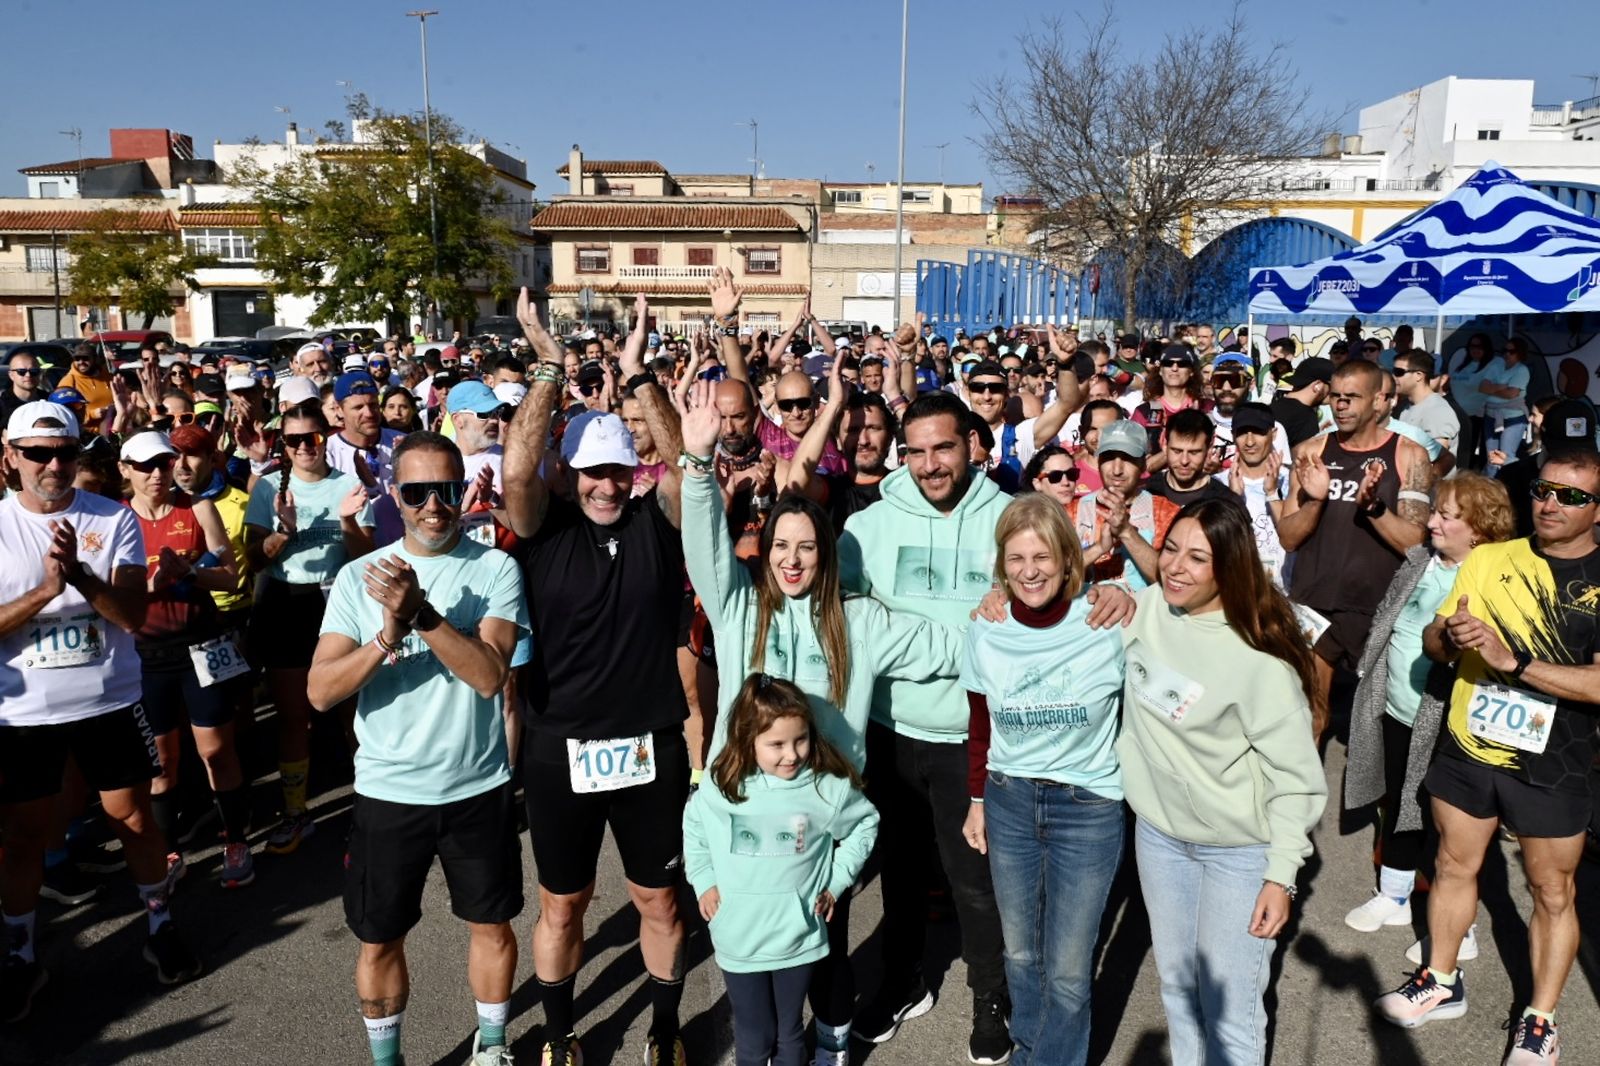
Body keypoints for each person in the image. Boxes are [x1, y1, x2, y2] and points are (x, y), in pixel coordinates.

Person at [501, 288, 693, 1066]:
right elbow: (517, 467)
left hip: (650, 743)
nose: (606, 486)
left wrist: (640, 373)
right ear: (569, 473)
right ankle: (558, 1034)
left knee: (658, 899)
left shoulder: (659, 522)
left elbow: (690, 465)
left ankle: (665, 1030)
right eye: (590, 472)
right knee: (563, 903)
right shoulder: (544, 533)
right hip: (560, 746)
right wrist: (549, 367)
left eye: (617, 471)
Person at [308, 432, 528, 1066]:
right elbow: (321, 692)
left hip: (476, 788)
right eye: (417, 492)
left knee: (491, 926)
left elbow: (490, 676)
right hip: (388, 791)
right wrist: (385, 635)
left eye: (448, 490)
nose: (434, 505)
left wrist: (424, 616)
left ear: (464, 491)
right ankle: (387, 1060)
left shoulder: (495, 569)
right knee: (379, 940)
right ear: (394, 498)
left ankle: (491, 1046)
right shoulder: (358, 577)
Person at [1375, 450, 1600, 1065]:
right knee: (1452, 863)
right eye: (1544, 490)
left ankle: (1540, 1019)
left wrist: (1514, 663)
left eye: (1572, 496)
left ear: (1597, 508)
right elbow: (1436, 637)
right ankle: (1440, 981)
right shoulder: (1493, 558)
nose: (1551, 503)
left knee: (1551, 890)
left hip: (1558, 758)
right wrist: (1448, 638)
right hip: (1470, 744)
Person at [1, 402, 203, 1019]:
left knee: (134, 819)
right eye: (38, 453)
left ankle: (160, 925)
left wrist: (83, 581)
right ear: (11, 457)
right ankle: (20, 955)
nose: (54, 464)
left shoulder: (110, 518)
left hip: (109, 701)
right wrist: (43, 591)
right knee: (24, 838)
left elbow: (133, 615)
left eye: (65, 452)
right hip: (24, 716)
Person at [836, 390, 1014, 1064]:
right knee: (903, 874)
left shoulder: (1009, 517)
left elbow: (1052, 596)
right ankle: (905, 982)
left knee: (974, 880)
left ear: (972, 443)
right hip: (891, 729)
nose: (932, 465)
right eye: (918, 451)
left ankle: (990, 999)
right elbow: (840, 614)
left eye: (945, 447)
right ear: (900, 453)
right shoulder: (869, 527)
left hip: (974, 737)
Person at [1118, 497, 1328, 1066]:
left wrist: (1280, 876)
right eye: (1170, 551)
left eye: (1197, 558)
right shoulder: (1143, 609)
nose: (1175, 568)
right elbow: (1065, 614)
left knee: (1231, 1011)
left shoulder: (1260, 661)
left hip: (1237, 852)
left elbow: (1297, 781)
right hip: (1159, 838)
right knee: (1179, 991)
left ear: (1228, 568)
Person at [961, 494, 1126, 1066]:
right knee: (1021, 955)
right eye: (1015, 559)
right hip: (1009, 800)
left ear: (1067, 558)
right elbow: (979, 723)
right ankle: (1030, 1050)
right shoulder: (986, 627)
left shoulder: (1108, 621)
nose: (1030, 571)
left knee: (1069, 969)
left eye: (1043, 556)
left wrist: (1123, 591)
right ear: (1001, 565)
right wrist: (977, 799)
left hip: (1089, 808)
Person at [1342, 475, 1513, 944]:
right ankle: (1394, 895)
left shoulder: (1493, 577)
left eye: (1445, 516)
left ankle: (1462, 925)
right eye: (1435, 511)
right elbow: (1389, 620)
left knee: (1451, 825)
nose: (1431, 521)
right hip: (1398, 707)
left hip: (1449, 720)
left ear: (1478, 529)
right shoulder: (1420, 560)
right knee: (1399, 801)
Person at [684, 674, 880, 1066]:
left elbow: (865, 824)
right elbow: (695, 829)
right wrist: (704, 880)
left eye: (800, 739)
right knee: (754, 1037)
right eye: (776, 744)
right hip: (740, 939)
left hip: (798, 936)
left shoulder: (826, 788)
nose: (791, 754)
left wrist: (837, 881)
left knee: (790, 1034)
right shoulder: (724, 786)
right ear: (747, 738)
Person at [119, 431, 254, 890]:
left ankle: (236, 838)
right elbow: (106, 594)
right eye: (144, 467)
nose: (156, 474)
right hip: (145, 654)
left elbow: (233, 576)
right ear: (126, 470)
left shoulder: (196, 507)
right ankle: (168, 850)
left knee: (216, 750)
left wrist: (193, 574)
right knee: (161, 761)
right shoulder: (115, 519)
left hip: (202, 644)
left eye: (162, 463)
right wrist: (148, 589)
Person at [244, 403, 376, 855]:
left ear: (326, 437)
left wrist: (346, 520)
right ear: (283, 445)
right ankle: (296, 811)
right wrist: (283, 531)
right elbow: (254, 557)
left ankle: (371, 804)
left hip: (338, 602)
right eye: (293, 440)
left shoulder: (348, 485)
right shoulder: (267, 487)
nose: (303, 447)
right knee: (293, 713)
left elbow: (362, 555)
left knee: (351, 709)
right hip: (286, 604)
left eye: (312, 438)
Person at [1278, 360, 1434, 733]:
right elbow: (1288, 536)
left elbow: (1416, 542)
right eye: (1335, 397)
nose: (1341, 405)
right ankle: (1303, 791)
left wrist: (1374, 509)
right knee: (1310, 715)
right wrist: (1316, 501)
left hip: (1379, 607)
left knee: (1374, 726)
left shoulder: (1410, 456)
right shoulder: (1310, 453)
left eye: (1352, 398)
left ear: (1378, 400)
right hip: (1316, 602)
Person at [1067, 420, 1180, 590]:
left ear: (1143, 464)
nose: (1117, 470)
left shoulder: (1166, 513)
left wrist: (1126, 532)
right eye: (1109, 458)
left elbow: (1169, 580)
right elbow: (1056, 576)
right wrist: (1098, 549)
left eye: (1128, 459)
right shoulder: (1073, 512)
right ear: (1098, 461)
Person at [326, 371, 406, 547]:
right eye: (358, 408)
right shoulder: (327, 453)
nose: (369, 413)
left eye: (373, 404)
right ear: (339, 410)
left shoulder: (404, 443)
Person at [1221, 403, 1290, 585]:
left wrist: (1272, 492)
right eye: (1242, 432)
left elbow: (1292, 537)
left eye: (1258, 432)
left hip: (1285, 592)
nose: (1250, 442)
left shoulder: (1291, 482)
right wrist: (1233, 498)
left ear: (1273, 434)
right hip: (1236, 589)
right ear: (1233, 436)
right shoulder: (1218, 484)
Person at [1131, 344, 1209, 464]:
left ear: (1192, 371)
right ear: (1161, 370)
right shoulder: (1144, 412)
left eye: (1182, 364)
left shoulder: (1205, 408)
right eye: (1168, 363)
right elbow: (1133, 460)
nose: (1174, 368)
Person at [1146, 409, 1237, 507]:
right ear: (1164, 445)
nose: (1184, 461)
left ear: (1209, 448)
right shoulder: (1150, 491)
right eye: (1177, 451)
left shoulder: (1223, 501)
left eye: (1194, 452)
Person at [1394, 349, 1461, 467]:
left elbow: (1440, 460)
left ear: (1418, 376)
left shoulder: (1438, 411)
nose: (1394, 377)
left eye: (1399, 372)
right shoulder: (1406, 407)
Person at [1479, 337, 1531, 477]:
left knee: (1506, 457)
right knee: (1491, 458)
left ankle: (1508, 490)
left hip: (1514, 418)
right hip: (1491, 416)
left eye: (1511, 351)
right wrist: (1502, 387)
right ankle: (1490, 492)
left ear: (1520, 353)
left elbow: (1511, 394)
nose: (1507, 354)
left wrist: (1493, 388)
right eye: (1505, 350)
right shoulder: (1496, 365)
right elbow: (1482, 387)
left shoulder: (1522, 370)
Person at [1447, 333, 1496, 469]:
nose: (1475, 349)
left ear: (1486, 348)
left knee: (1475, 453)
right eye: (1472, 346)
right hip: (1459, 414)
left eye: (1480, 346)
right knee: (1461, 450)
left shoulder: (1492, 365)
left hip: (1479, 415)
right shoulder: (1464, 365)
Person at [1269, 356, 1333, 448]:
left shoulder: (1271, 408)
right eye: (1332, 386)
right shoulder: (1307, 419)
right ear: (1317, 386)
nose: (1335, 392)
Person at [56, 345, 114, 429]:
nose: (81, 362)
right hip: (87, 436)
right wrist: (91, 415)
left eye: (85, 358)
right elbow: (62, 414)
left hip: (114, 431)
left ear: (95, 359)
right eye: (77, 359)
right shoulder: (68, 381)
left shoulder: (108, 377)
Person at [1, 352, 45, 427]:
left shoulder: (50, 402)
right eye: (21, 372)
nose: (28, 375)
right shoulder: (2, 406)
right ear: (11, 375)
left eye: (34, 371)